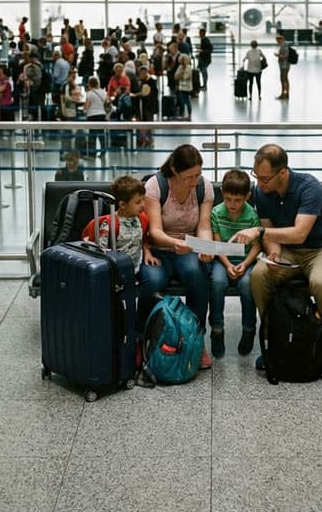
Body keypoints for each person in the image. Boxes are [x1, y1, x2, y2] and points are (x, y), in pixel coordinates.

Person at [231, 144, 322, 380]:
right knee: (259, 275)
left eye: (264, 178)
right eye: (256, 176)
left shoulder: (309, 187)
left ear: (282, 172)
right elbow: (270, 229)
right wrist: (272, 251)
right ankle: (277, 339)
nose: (259, 183)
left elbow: (299, 234)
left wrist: (259, 233)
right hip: (288, 252)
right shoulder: (262, 191)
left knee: (320, 281)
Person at [141, 144, 213, 369]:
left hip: (188, 248)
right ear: (174, 170)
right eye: (188, 177)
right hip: (160, 248)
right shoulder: (155, 186)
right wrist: (174, 243)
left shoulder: (204, 188)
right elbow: (155, 231)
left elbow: (203, 225)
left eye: (197, 175)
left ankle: (196, 339)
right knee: (153, 281)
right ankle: (144, 337)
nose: (194, 182)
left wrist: (205, 246)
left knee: (197, 275)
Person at [209, 169, 261, 359]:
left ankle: (249, 329)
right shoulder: (216, 213)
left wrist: (246, 264)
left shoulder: (252, 216)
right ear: (223, 193)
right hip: (222, 259)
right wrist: (228, 265)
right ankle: (216, 330)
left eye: (238, 200)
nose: (232, 204)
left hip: (245, 260)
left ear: (247, 196)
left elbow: (256, 247)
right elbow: (216, 244)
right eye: (229, 199)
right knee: (217, 283)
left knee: (248, 284)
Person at [82, 176, 154, 277]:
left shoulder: (142, 218)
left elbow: (144, 240)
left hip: (136, 268)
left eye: (143, 200)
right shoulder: (110, 224)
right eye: (138, 202)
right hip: (116, 272)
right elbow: (101, 252)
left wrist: (147, 252)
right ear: (122, 204)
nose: (143, 205)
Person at [174, 53, 193, 120]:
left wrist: (180, 74)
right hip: (180, 87)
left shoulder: (188, 67)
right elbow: (176, 76)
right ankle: (182, 114)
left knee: (187, 101)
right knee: (181, 101)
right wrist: (180, 74)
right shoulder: (180, 67)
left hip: (187, 88)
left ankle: (189, 114)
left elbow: (185, 77)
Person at [275, 32, 290, 99]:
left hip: (285, 65)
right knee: (283, 79)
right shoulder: (283, 46)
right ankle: (284, 93)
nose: (277, 43)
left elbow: (286, 56)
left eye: (278, 41)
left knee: (284, 79)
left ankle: (285, 93)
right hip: (282, 65)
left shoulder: (285, 46)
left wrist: (278, 55)